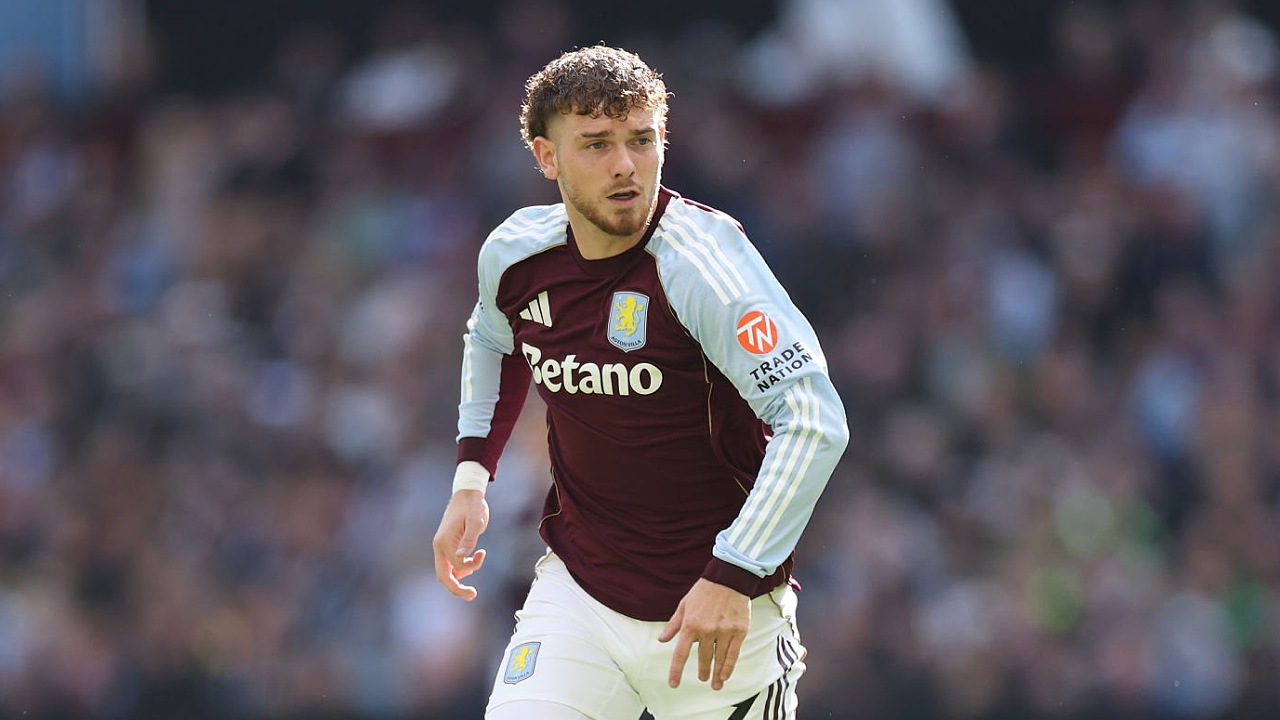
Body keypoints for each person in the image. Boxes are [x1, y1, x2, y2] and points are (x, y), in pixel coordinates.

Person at [432, 45, 848, 720]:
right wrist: (471, 481)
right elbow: (490, 340)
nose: (625, 165)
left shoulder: (703, 267)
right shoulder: (516, 256)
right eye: (596, 144)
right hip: (581, 601)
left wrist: (734, 574)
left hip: (718, 620)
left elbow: (814, 421)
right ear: (546, 158)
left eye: (642, 140)